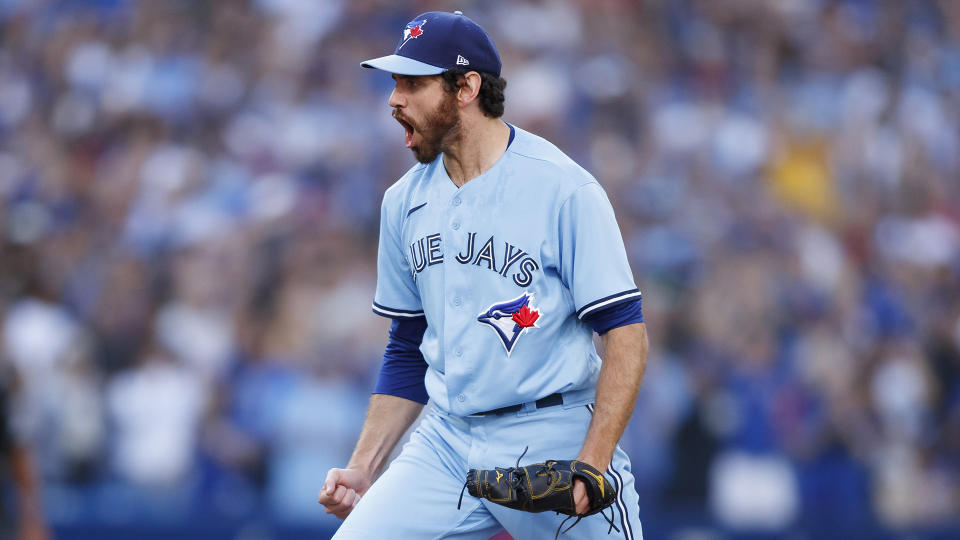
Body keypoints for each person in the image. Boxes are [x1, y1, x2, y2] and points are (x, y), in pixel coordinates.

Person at [318, 10, 648, 539]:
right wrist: (364, 466)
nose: (393, 98)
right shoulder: (402, 202)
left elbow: (625, 333)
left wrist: (594, 460)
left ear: (467, 86)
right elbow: (407, 346)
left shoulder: (563, 189)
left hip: (552, 434)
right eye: (394, 82)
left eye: (413, 83)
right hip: (446, 441)